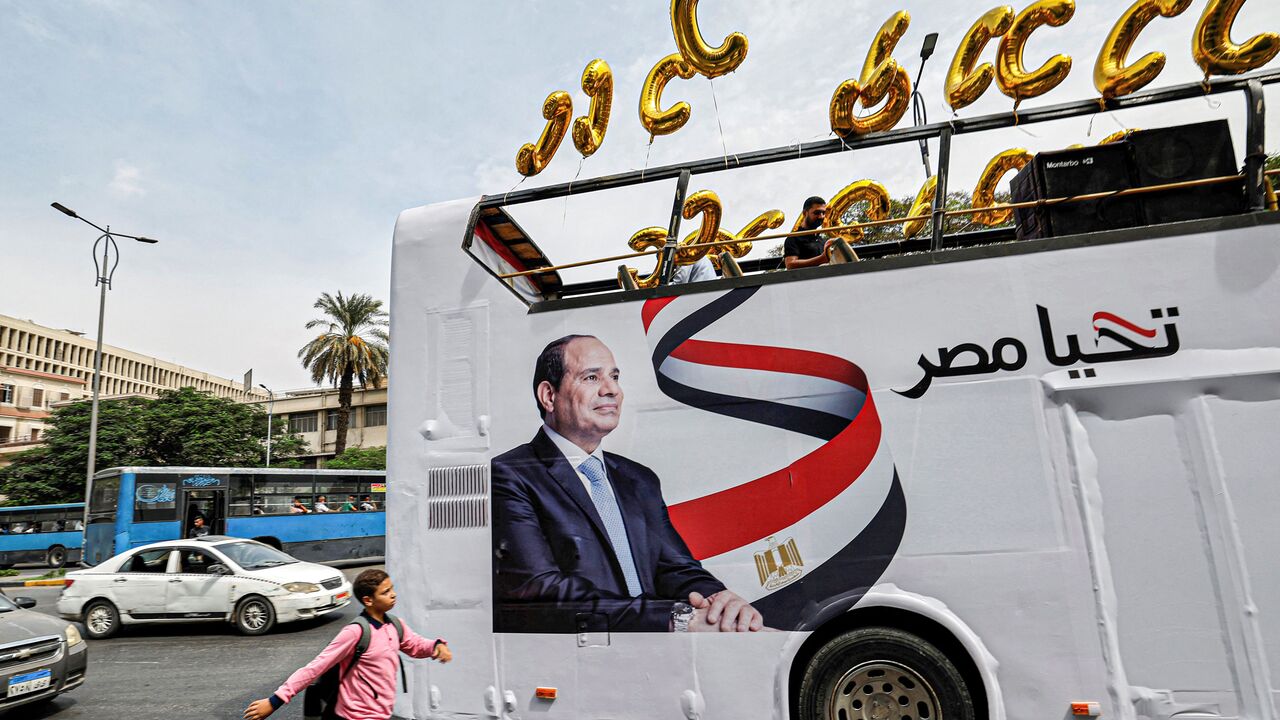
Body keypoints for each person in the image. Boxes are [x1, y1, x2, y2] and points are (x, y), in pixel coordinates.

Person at [491, 334, 764, 634]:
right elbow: (542, 591)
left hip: (660, 654)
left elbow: (675, 569)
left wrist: (719, 601)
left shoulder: (639, 479)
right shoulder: (511, 474)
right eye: (591, 377)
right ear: (549, 395)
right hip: (577, 661)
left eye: (615, 377)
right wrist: (674, 618)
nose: (611, 390)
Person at [242, 569, 452, 720]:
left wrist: (436, 646)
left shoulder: (395, 625)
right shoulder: (355, 632)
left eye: (392, 589)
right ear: (368, 600)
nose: (393, 594)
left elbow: (414, 644)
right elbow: (315, 668)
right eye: (386, 592)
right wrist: (275, 701)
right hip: (355, 715)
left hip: (381, 714)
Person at [783, 196, 835, 269]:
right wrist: (821, 259)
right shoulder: (793, 238)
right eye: (817, 213)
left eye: (823, 213)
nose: (821, 216)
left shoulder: (821, 240)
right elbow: (790, 264)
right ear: (805, 213)